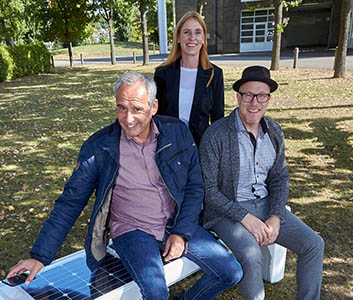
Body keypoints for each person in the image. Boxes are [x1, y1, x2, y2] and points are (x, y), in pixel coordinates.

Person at [7, 72, 243, 300]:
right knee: (156, 292)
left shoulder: (177, 132)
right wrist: (40, 257)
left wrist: (182, 232)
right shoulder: (99, 147)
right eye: (122, 107)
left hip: (174, 222)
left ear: (154, 107)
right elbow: (70, 203)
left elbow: (194, 186)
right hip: (133, 230)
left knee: (231, 273)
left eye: (137, 109)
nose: (128, 118)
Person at [199, 66, 324, 300]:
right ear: (238, 97)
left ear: (268, 99)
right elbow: (208, 190)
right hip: (226, 211)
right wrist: (246, 219)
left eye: (262, 96)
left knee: (313, 244)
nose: (254, 102)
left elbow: (279, 177)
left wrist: (276, 215)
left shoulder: (274, 132)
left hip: (266, 205)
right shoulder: (216, 135)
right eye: (248, 95)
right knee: (251, 253)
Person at [154, 11, 224, 146]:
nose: (192, 38)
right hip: (169, 148)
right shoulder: (162, 74)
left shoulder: (215, 74)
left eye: (198, 32)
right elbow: (155, 117)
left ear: (203, 38)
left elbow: (218, 120)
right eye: (186, 32)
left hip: (201, 149)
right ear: (179, 38)